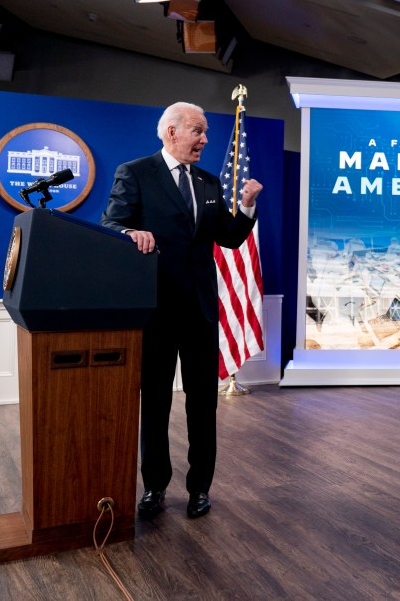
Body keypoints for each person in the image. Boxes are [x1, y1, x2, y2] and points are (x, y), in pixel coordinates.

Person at [101, 101, 262, 520]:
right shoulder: (134, 173)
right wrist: (130, 232)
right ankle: (154, 487)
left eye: (206, 132)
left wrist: (245, 206)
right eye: (198, 131)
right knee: (154, 403)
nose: (205, 140)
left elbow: (227, 239)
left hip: (200, 313)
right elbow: (110, 224)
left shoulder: (209, 183)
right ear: (171, 132)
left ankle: (199, 489)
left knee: (201, 404)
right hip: (154, 311)